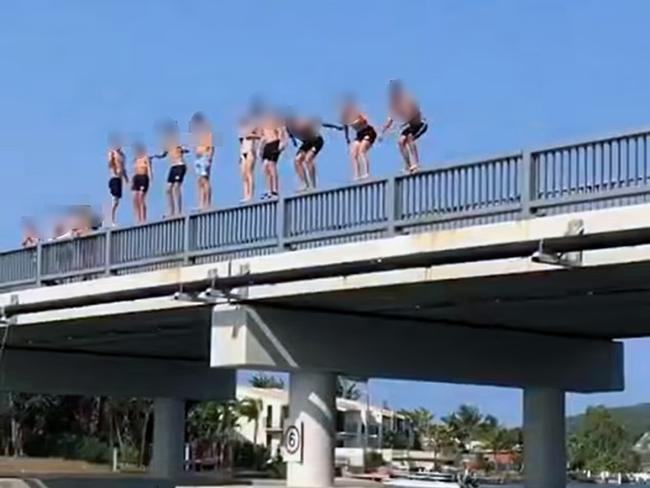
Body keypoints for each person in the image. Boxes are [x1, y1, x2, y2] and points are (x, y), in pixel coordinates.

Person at [285, 114, 343, 191]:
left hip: (316, 141)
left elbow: (321, 124)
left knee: (308, 159)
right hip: (307, 143)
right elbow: (292, 137)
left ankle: (313, 184)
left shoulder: (303, 123)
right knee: (297, 160)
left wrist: (336, 127)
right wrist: (294, 142)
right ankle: (304, 184)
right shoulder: (288, 129)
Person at [380, 80, 428, 173]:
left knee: (410, 138)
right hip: (410, 126)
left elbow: (415, 112)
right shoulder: (393, 104)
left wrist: (406, 120)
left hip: (420, 124)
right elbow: (390, 119)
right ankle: (408, 165)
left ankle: (416, 164)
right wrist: (383, 132)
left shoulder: (407, 99)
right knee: (400, 142)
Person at [154, 121, 189, 217]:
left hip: (180, 165)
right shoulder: (167, 144)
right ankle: (171, 211)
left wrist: (182, 150)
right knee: (168, 189)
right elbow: (164, 154)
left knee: (176, 187)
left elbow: (184, 148)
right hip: (173, 167)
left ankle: (179, 211)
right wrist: (156, 156)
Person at [341, 98, 377, 180]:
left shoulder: (356, 113)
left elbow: (364, 121)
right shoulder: (344, 118)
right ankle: (356, 175)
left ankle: (366, 173)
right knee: (353, 153)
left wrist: (354, 122)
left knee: (361, 151)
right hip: (360, 134)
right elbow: (345, 128)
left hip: (369, 132)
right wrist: (347, 138)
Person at [259, 111, 288, 198]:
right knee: (265, 167)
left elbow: (281, 133)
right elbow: (263, 137)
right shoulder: (262, 124)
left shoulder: (274, 121)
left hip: (274, 143)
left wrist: (281, 145)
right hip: (267, 145)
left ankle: (275, 189)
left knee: (272, 165)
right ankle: (269, 190)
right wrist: (260, 148)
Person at [190, 112, 214, 211]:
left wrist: (209, 157)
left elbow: (211, 147)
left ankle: (207, 203)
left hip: (205, 157)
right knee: (199, 181)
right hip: (198, 158)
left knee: (205, 180)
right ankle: (200, 203)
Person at [107, 135, 128, 225]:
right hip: (114, 177)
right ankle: (111, 220)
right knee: (114, 199)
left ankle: (111, 218)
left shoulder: (123, 156)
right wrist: (111, 160)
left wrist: (127, 179)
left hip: (120, 179)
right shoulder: (112, 153)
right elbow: (109, 164)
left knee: (117, 201)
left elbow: (123, 169)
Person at [238, 116, 260, 202]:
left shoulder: (252, 127)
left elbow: (259, 135)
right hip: (243, 152)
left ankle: (250, 194)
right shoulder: (241, 130)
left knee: (249, 172)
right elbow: (241, 142)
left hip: (250, 151)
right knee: (243, 174)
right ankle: (246, 194)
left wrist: (251, 135)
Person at [132, 142, 153, 224]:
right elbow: (134, 170)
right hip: (136, 178)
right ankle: (137, 217)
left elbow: (149, 168)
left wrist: (151, 177)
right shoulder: (136, 159)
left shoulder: (146, 158)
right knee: (135, 198)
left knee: (141, 197)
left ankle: (143, 218)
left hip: (144, 178)